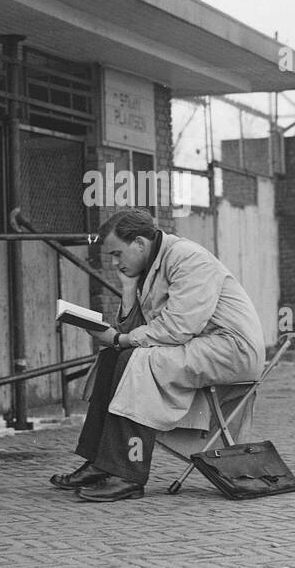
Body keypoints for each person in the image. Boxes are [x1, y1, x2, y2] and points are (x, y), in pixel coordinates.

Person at [50, 208, 266, 503]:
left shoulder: (187, 258)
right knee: (112, 358)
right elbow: (139, 332)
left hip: (229, 349)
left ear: (139, 243)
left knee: (135, 362)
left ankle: (127, 474)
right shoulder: (151, 265)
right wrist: (128, 290)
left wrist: (121, 339)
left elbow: (179, 327)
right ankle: (99, 462)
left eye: (117, 254)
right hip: (198, 344)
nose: (115, 262)